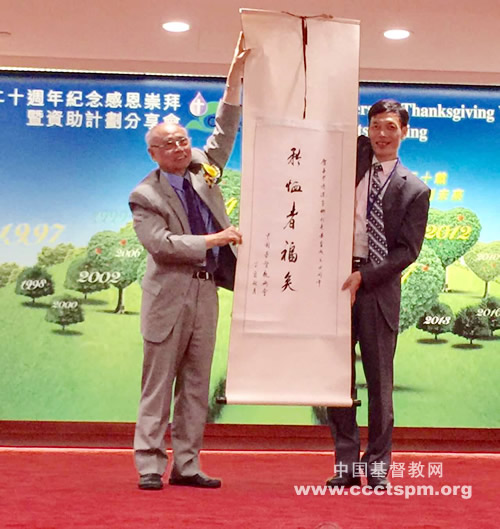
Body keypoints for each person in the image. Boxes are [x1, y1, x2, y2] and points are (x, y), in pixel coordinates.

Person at [129, 34, 248, 491]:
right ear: (154, 153)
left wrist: (233, 80)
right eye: (170, 144)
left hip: (205, 291)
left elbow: (225, 131)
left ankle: (187, 464)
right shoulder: (145, 195)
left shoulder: (202, 167)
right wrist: (215, 239)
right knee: (158, 384)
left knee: (197, 384)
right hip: (168, 294)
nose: (180, 148)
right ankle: (149, 465)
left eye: (183, 140)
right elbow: (161, 245)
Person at [326, 99, 430, 490]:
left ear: (404, 131)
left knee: (380, 384)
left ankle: (377, 467)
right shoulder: (354, 161)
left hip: (377, 289)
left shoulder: (415, 189)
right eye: (375, 126)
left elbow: (407, 251)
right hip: (337, 283)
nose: (382, 134)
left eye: (390, 127)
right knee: (337, 380)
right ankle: (346, 464)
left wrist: (364, 277)